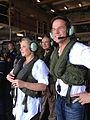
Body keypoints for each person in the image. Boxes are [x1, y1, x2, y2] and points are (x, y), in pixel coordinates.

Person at [50, 15, 90, 120]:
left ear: (69, 30)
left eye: (60, 28)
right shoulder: (56, 52)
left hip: (74, 103)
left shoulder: (80, 50)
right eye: (54, 29)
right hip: (59, 99)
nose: (56, 32)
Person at [6, 37, 49, 120]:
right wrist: (8, 76)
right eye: (20, 47)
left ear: (32, 48)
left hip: (31, 107)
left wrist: (24, 84)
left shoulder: (39, 64)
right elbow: (11, 74)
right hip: (18, 106)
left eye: (24, 46)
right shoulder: (20, 63)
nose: (21, 49)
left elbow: (44, 86)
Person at [39, 36, 56, 120]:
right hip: (43, 83)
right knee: (43, 102)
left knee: (52, 103)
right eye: (42, 42)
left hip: (52, 82)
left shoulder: (55, 53)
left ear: (51, 43)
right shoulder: (41, 54)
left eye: (46, 42)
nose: (44, 44)